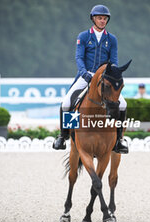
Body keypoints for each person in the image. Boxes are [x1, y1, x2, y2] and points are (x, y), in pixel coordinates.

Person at [52, 4, 128, 154]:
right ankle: (63, 136)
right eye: (99, 18)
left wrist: (111, 75)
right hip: (85, 76)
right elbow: (79, 58)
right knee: (67, 102)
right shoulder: (84, 36)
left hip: (104, 78)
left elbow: (114, 61)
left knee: (123, 104)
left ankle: (119, 140)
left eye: (105, 18)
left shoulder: (111, 39)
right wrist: (85, 73)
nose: (102, 21)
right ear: (93, 19)